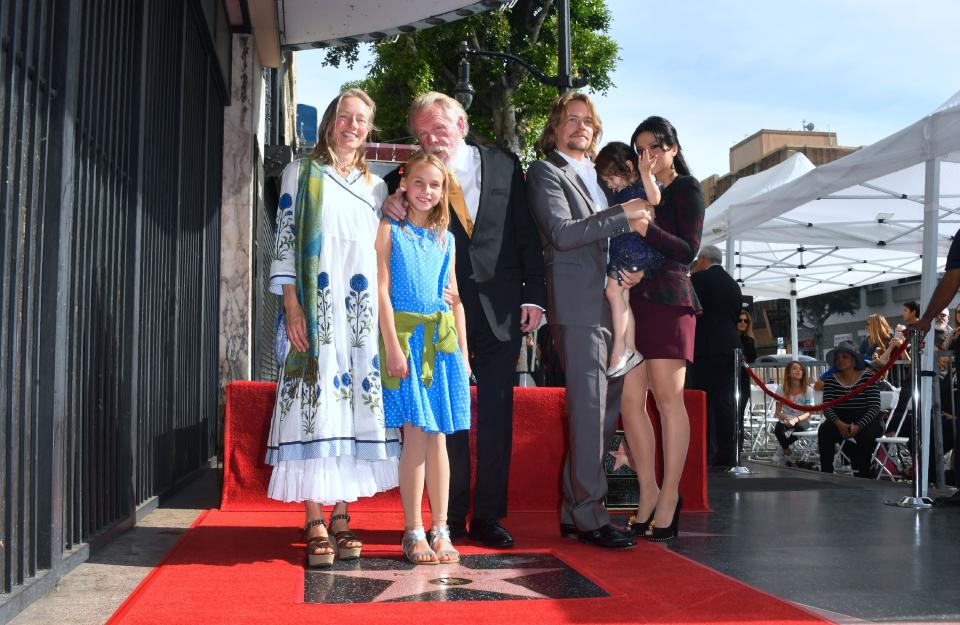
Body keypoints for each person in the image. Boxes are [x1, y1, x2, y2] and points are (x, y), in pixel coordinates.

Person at [382, 92, 546, 548]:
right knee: (443, 416)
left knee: (497, 415)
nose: (431, 139)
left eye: (437, 128)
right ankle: (447, 517)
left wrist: (535, 295)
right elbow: (395, 222)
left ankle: (489, 516)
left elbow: (525, 233)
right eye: (420, 133)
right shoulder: (410, 177)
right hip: (439, 310)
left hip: (502, 307)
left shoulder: (505, 164)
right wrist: (390, 204)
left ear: (461, 122)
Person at [266, 89, 400, 568]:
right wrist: (293, 306)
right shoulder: (300, 172)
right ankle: (315, 517)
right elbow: (285, 237)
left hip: (359, 316)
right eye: (346, 116)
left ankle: (344, 515)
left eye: (362, 119)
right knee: (317, 406)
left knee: (351, 413)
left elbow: (381, 254)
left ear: (369, 128)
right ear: (330, 122)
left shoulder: (376, 186)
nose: (353, 125)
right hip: (317, 308)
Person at [526, 91, 651, 549]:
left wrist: (627, 271)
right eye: (571, 119)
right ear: (555, 128)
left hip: (608, 304)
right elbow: (561, 234)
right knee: (590, 410)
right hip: (578, 307)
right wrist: (622, 215)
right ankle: (590, 516)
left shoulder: (595, 179)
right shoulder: (545, 171)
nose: (581, 126)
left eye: (588, 121)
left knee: (602, 414)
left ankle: (572, 507)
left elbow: (605, 241)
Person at [376, 151, 472, 565]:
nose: (427, 191)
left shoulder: (446, 240)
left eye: (435, 185)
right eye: (419, 183)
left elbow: (455, 301)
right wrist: (393, 347)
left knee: (440, 439)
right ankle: (413, 529)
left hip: (443, 346)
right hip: (407, 342)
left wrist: (464, 356)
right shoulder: (388, 229)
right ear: (404, 183)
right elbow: (381, 291)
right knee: (415, 435)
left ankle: (442, 529)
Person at [620, 116, 704, 541]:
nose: (646, 156)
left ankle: (670, 496)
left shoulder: (686, 187)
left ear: (672, 146)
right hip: (632, 304)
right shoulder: (636, 188)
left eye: (653, 146)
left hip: (670, 301)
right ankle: (647, 491)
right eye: (639, 149)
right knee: (630, 401)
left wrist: (647, 230)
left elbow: (689, 250)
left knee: (669, 400)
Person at [594, 141, 662, 377]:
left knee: (614, 293)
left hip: (633, 250)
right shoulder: (622, 192)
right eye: (608, 180)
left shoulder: (642, 184)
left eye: (613, 178)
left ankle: (621, 348)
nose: (611, 184)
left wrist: (646, 174)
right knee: (621, 296)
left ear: (627, 166)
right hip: (626, 249)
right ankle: (630, 349)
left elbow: (655, 199)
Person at [687, 245, 742, 468]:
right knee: (725, 402)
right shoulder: (733, 284)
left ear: (702, 260)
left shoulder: (698, 281)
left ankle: (706, 451)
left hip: (705, 347)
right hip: (730, 346)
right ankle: (727, 453)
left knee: (703, 401)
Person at [816, 341, 882, 478]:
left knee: (866, 435)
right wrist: (839, 424)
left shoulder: (868, 377)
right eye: (838, 358)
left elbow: (875, 407)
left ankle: (864, 474)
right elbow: (827, 406)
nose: (840, 360)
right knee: (824, 431)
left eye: (844, 357)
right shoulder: (831, 380)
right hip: (840, 419)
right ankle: (826, 472)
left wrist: (859, 425)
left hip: (865, 419)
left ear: (853, 360)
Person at [771, 361, 814, 465]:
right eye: (794, 368)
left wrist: (796, 420)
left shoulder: (808, 390)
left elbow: (808, 413)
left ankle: (783, 449)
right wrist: (781, 416)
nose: (798, 370)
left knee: (801, 428)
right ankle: (786, 448)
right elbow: (777, 410)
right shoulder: (781, 388)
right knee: (778, 429)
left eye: (800, 369)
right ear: (788, 373)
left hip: (802, 418)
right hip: (786, 417)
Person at [737, 311, 758, 441]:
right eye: (740, 320)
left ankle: (739, 442)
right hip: (728, 380)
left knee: (739, 414)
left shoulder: (749, 340)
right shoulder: (729, 337)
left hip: (743, 380)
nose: (743, 323)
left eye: (746, 321)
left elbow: (752, 358)